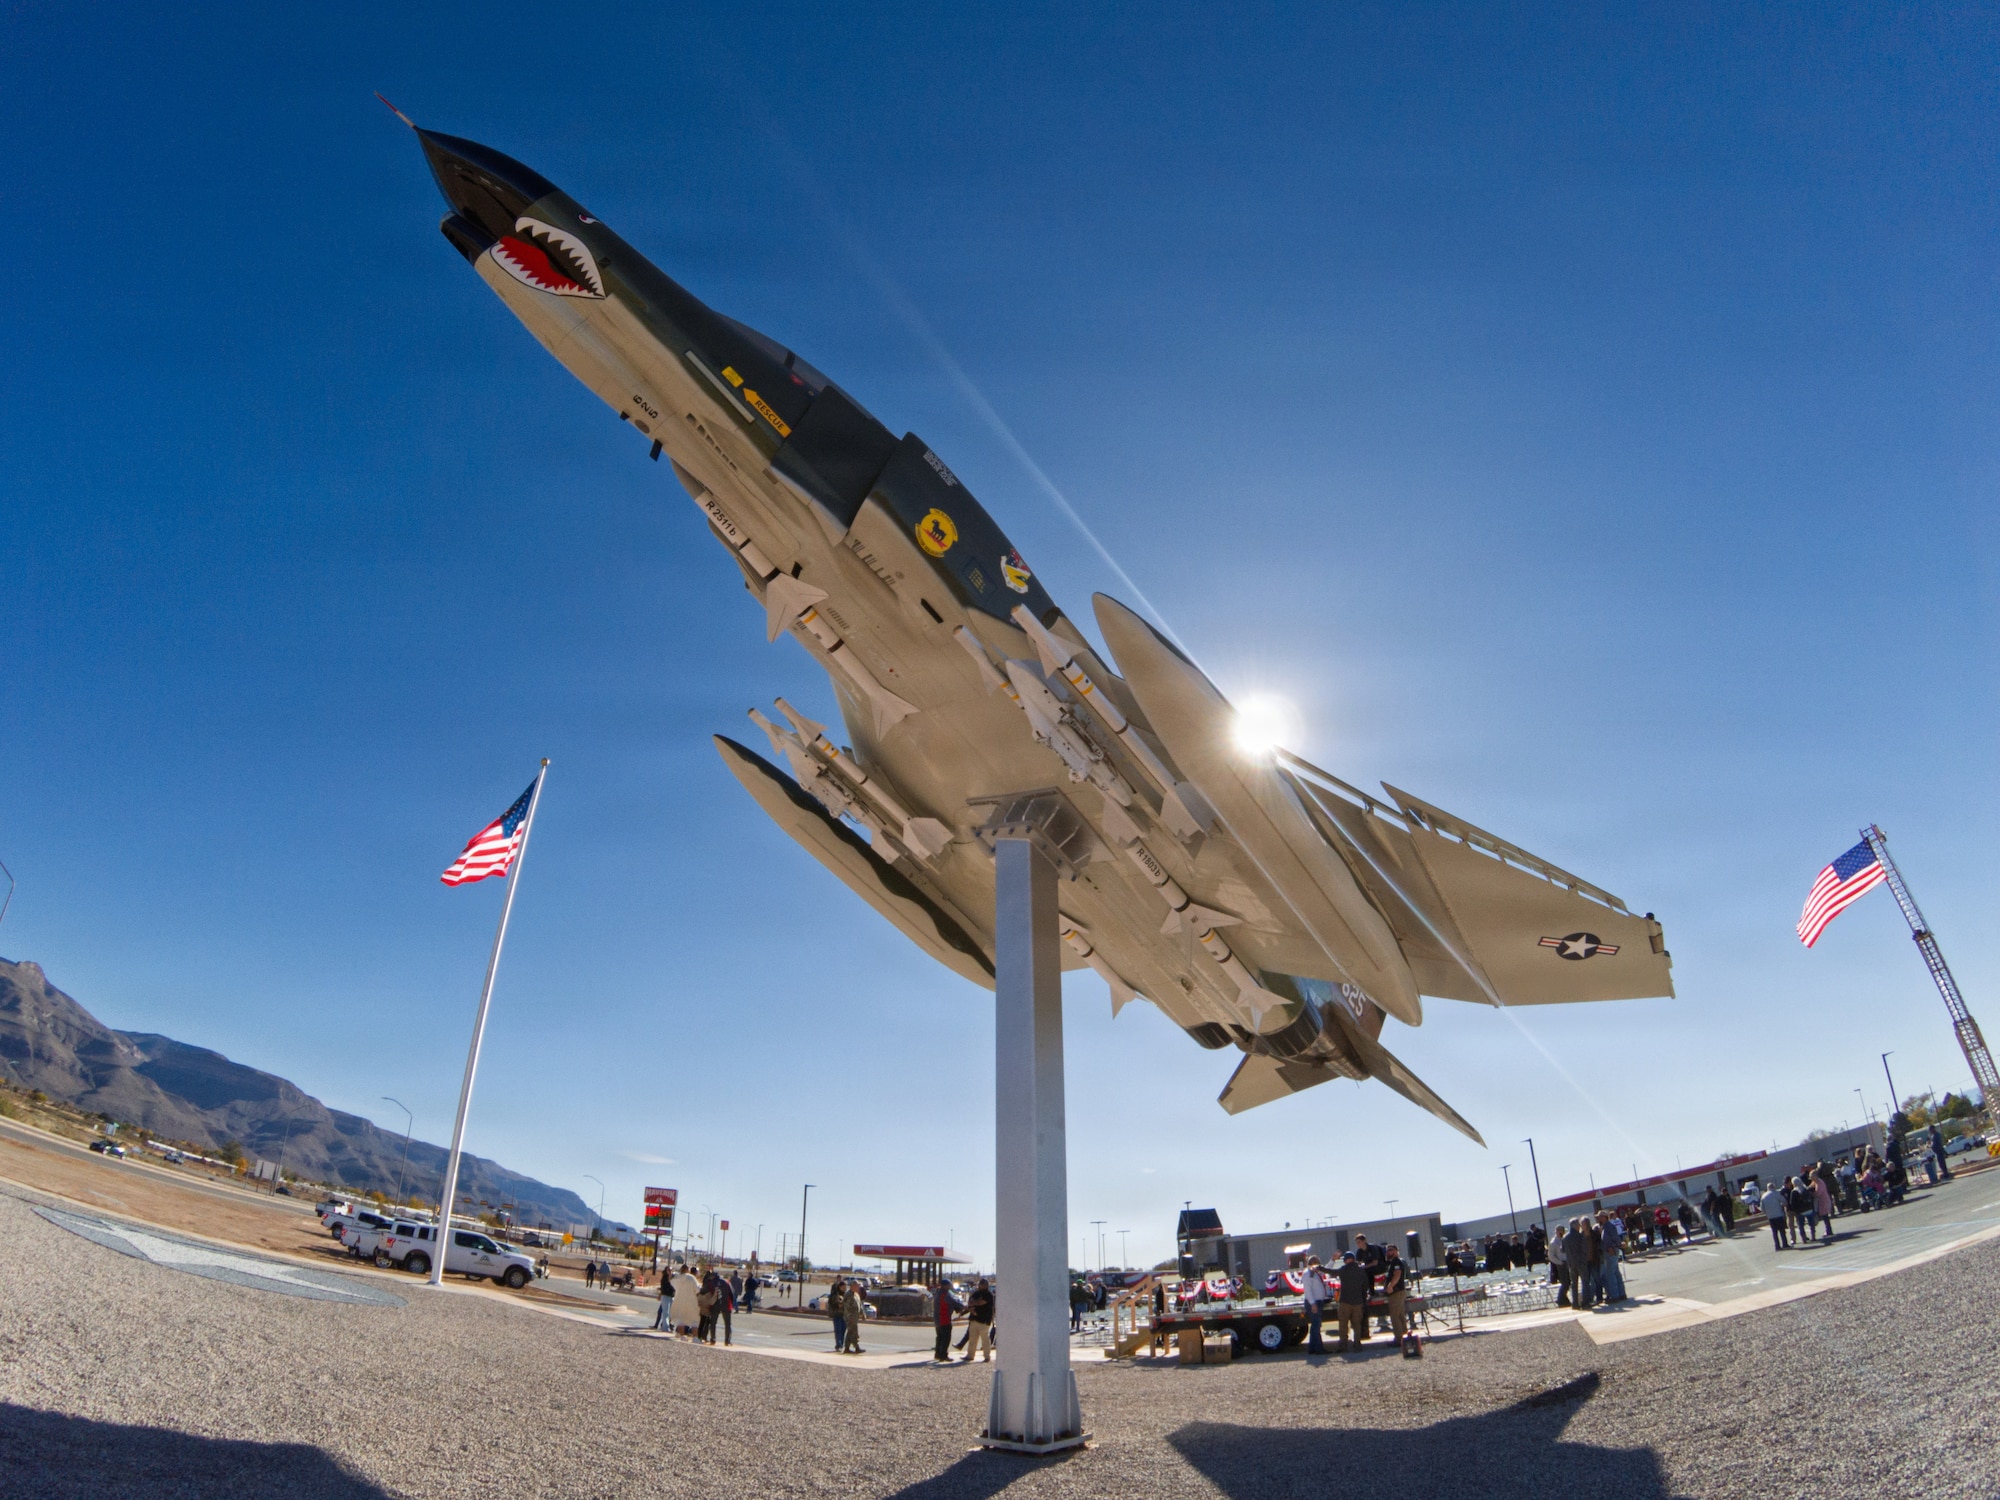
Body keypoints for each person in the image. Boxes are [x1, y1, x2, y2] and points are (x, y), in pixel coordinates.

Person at [1333, 1251, 1372, 1350]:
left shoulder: (1343, 1269)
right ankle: (1357, 1344)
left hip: (1345, 1301)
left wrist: (1320, 1268)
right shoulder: (1361, 1270)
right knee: (1357, 1324)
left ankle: (1343, 1345)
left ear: (1345, 1260)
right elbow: (1365, 1286)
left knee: (1343, 1324)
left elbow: (1332, 1272)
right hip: (1358, 1302)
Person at [1301, 1255, 1331, 1355]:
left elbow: (1326, 1270)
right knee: (1316, 1325)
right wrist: (1313, 1303)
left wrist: (1333, 1260)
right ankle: (1318, 1348)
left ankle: (1312, 1348)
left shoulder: (1315, 1272)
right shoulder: (1308, 1274)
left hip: (1318, 1301)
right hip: (1313, 1302)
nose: (1318, 1265)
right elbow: (1308, 1290)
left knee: (1315, 1325)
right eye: (1317, 1263)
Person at [1381, 1246, 1411, 1343]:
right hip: (1398, 1292)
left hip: (1396, 1292)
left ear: (1396, 1251)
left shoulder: (1397, 1262)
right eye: (1387, 1251)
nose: (1388, 1252)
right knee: (1400, 1315)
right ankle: (1404, 1336)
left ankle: (1399, 1339)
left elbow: (1397, 1274)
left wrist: (1390, 1286)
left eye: (1391, 1250)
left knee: (1395, 1316)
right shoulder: (1392, 1263)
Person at [963, 1277, 995, 1362]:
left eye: (984, 1284)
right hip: (974, 1319)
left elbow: (980, 1303)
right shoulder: (976, 1293)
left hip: (984, 1320)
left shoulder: (988, 1295)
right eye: (981, 1284)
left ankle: (987, 1356)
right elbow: (970, 1302)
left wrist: (974, 1302)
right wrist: (972, 1305)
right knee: (972, 1338)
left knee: (985, 1339)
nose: (983, 1286)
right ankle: (970, 1355)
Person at [933, 1279, 964, 1362]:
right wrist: (963, 1306)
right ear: (945, 1285)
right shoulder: (945, 1294)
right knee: (946, 1338)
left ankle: (938, 1354)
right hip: (944, 1318)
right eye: (949, 1285)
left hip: (937, 1319)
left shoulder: (938, 1293)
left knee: (939, 1337)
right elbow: (954, 1302)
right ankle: (943, 1355)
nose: (950, 1286)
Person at [1760, 1181, 1788, 1250]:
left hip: (1770, 1217)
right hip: (1779, 1215)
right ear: (1773, 1187)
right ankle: (1785, 1244)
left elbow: (1762, 1208)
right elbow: (1784, 1201)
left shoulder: (1763, 1196)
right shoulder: (1776, 1193)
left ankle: (1777, 1246)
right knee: (1782, 1230)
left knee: (1774, 1232)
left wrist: (1767, 1212)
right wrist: (1782, 1206)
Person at [841, 1280, 865, 1353]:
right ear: (852, 1286)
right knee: (854, 1332)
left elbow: (859, 1305)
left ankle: (847, 1348)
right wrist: (850, 1318)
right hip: (850, 1317)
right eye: (857, 1286)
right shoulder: (848, 1295)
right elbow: (847, 1308)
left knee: (850, 1332)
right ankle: (856, 1347)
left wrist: (863, 1314)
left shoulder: (856, 1295)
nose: (858, 1287)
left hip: (855, 1317)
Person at [827, 1276, 848, 1352]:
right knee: (838, 1330)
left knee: (843, 1330)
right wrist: (838, 1304)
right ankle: (838, 1345)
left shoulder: (846, 1295)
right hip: (837, 1315)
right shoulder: (835, 1295)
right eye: (843, 1287)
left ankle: (842, 1344)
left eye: (845, 1287)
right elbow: (833, 1303)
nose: (844, 1288)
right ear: (840, 1287)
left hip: (844, 1315)